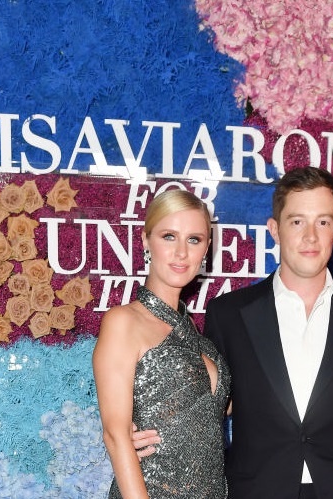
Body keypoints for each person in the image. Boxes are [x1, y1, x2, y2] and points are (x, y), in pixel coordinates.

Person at [134, 167, 333, 499]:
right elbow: (207, 408)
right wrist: (152, 429)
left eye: (322, 222)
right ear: (275, 230)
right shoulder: (229, 314)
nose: (310, 236)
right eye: (297, 221)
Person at [93, 188, 231, 498]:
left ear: (206, 248)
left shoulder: (197, 338)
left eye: (194, 239)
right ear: (146, 240)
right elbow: (116, 436)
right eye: (169, 236)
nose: (181, 252)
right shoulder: (123, 322)